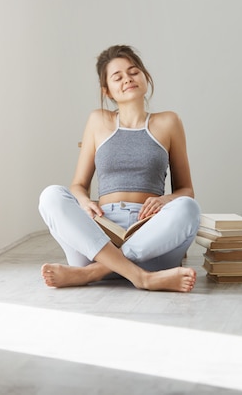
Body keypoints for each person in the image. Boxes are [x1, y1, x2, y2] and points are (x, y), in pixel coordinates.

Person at [39, 45, 201, 292]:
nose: (128, 79)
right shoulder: (98, 121)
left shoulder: (169, 122)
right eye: (118, 77)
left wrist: (165, 200)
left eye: (133, 72)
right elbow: (78, 185)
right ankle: (143, 277)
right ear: (108, 90)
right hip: (99, 232)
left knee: (189, 208)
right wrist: (84, 202)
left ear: (145, 76)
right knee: (50, 195)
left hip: (149, 233)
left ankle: (90, 273)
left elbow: (186, 190)